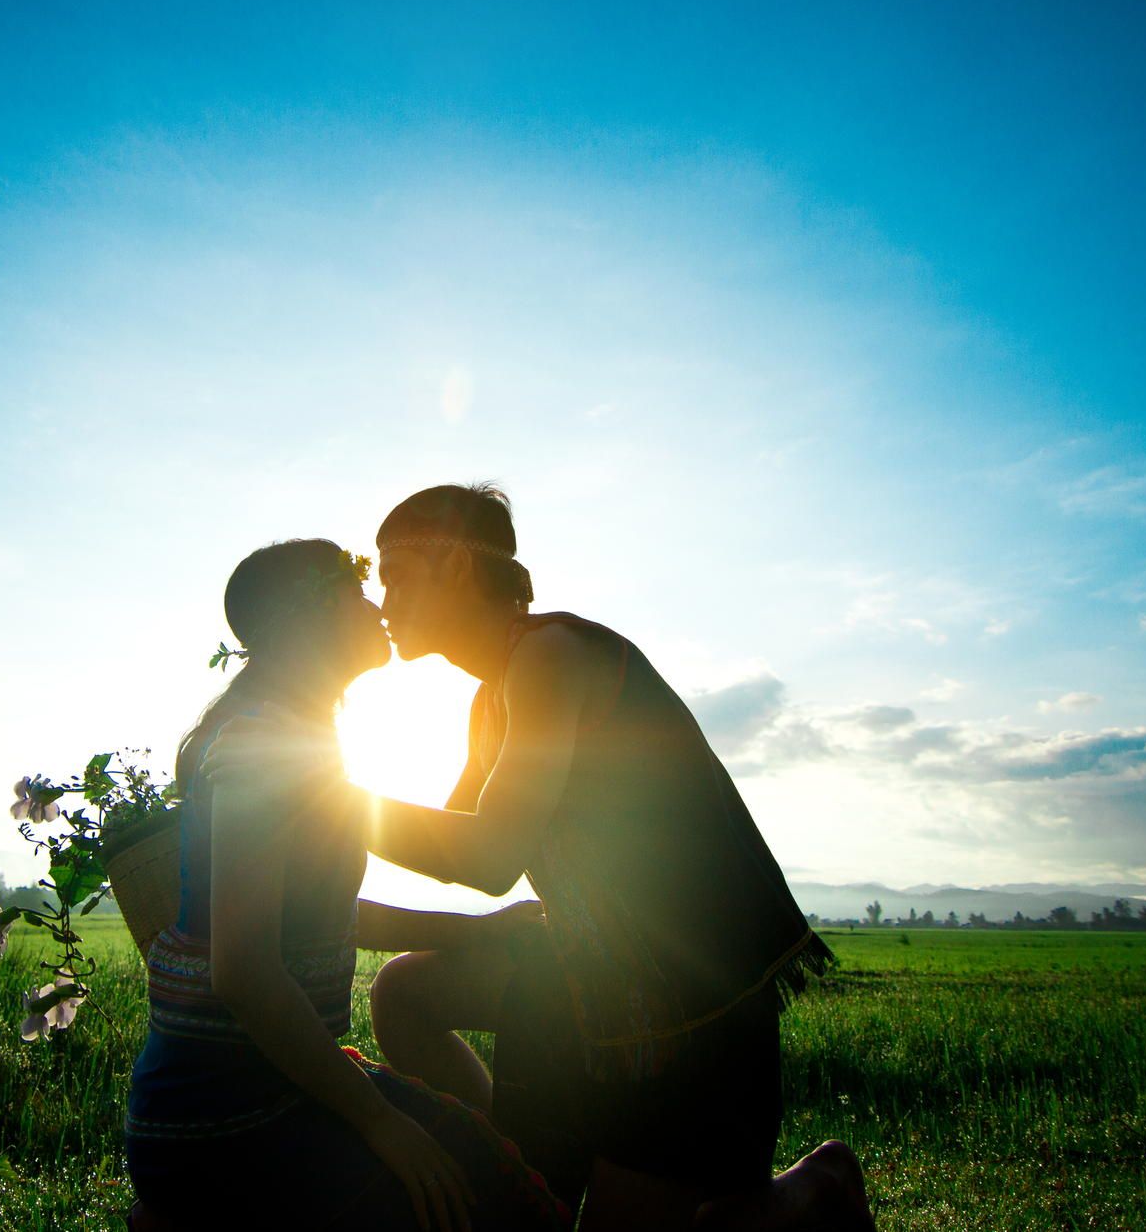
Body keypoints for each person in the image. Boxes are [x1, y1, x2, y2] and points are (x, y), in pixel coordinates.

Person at [340, 484, 874, 1231]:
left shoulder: (550, 658)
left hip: (688, 996)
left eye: (396, 576)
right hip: (592, 966)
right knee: (405, 993)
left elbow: (487, 855)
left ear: (456, 566)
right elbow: (453, 836)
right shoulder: (492, 697)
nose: (383, 600)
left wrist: (329, 802)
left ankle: (815, 1188)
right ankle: (520, 1170)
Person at [123, 538, 571, 1232]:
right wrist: (380, 1122)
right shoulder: (264, 744)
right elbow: (243, 970)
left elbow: (324, 914)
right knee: (493, 1199)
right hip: (226, 1120)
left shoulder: (291, 735)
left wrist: (475, 931)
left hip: (258, 1091)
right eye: (357, 590)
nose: (377, 606)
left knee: (484, 1159)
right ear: (312, 618)